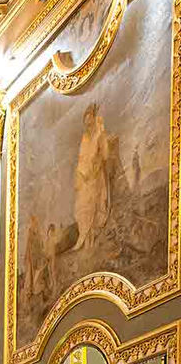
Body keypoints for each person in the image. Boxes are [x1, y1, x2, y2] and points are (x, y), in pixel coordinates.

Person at [71, 103, 111, 252]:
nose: (88, 126)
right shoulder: (85, 138)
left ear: (93, 120)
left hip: (95, 176)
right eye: (86, 123)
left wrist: (96, 164)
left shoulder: (99, 135)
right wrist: (80, 174)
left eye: (90, 122)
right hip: (84, 177)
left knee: (92, 206)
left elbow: (105, 154)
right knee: (81, 207)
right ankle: (85, 239)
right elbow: (82, 158)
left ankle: (91, 241)